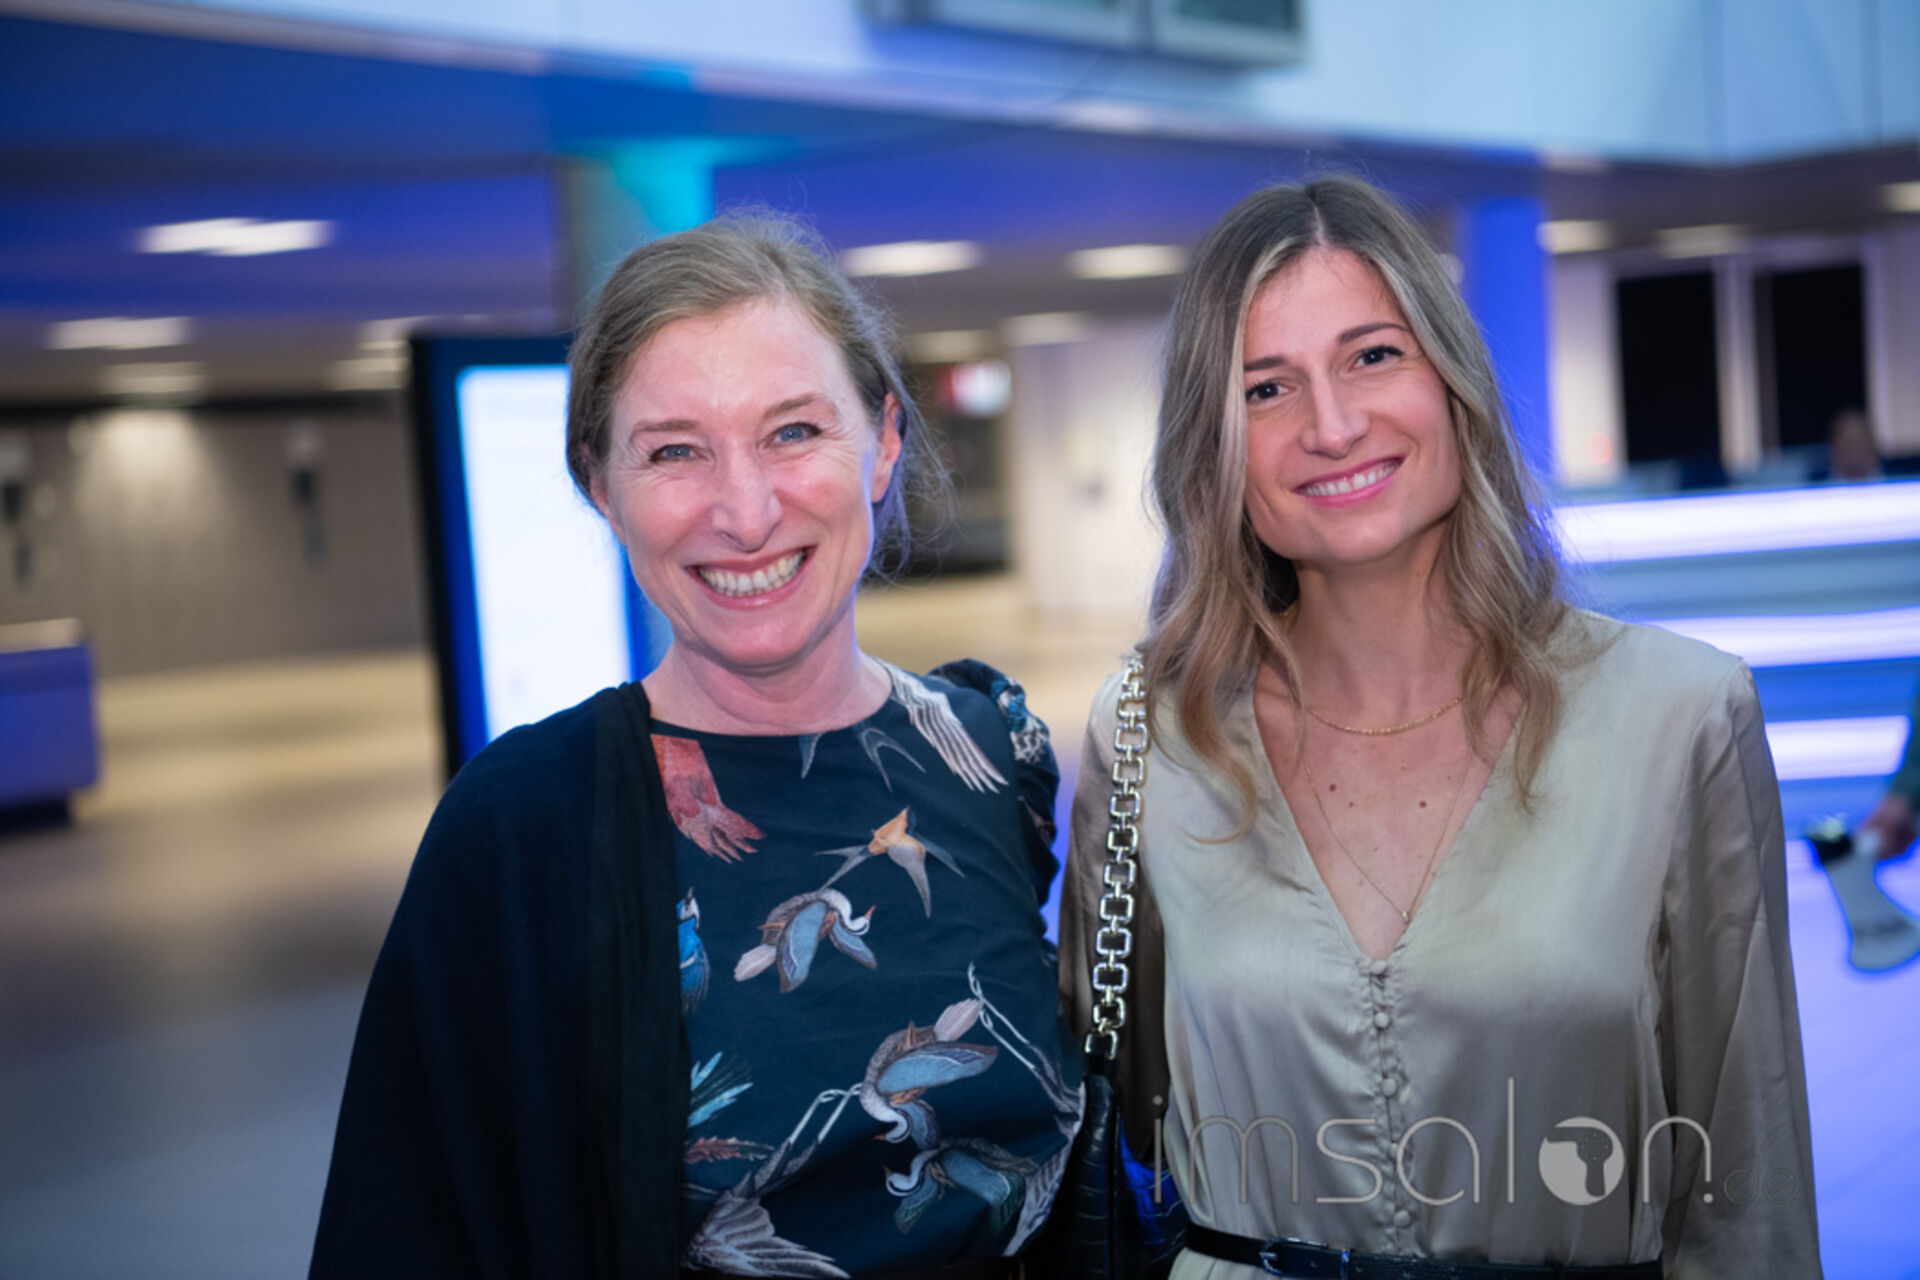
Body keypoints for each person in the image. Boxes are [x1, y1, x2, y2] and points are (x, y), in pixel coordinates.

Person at [1060, 176, 1821, 1278]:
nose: (1332, 426)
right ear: (1212, 447)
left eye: (1373, 356)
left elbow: (1746, 1182)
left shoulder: (1678, 713)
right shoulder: (1151, 738)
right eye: (1265, 387)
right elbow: (1118, 1111)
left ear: (1453, 381)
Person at [312, 215, 1079, 1278]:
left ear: (884, 441)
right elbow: (405, 1232)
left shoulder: (990, 756)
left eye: (793, 432)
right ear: (600, 486)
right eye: (676, 450)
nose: (746, 511)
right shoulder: (522, 828)